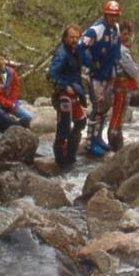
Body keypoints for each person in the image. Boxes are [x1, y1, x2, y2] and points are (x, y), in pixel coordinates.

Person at [79, 1, 122, 157]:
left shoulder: (116, 28)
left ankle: (98, 138)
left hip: (109, 73)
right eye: (110, 16)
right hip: (95, 75)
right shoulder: (95, 30)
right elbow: (80, 47)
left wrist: (117, 64)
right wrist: (90, 63)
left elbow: (117, 47)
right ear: (105, 15)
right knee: (97, 107)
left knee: (105, 107)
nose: (113, 18)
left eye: (115, 16)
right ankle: (90, 142)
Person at [48, 25, 87, 169]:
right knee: (63, 127)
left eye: (77, 37)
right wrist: (65, 86)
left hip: (75, 94)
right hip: (63, 95)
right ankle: (61, 160)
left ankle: (71, 155)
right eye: (71, 37)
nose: (74, 40)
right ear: (65, 38)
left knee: (81, 122)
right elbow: (51, 75)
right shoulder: (62, 54)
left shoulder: (75, 51)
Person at [107, 20, 139, 151]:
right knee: (118, 114)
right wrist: (136, 69)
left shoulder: (119, 49)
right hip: (121, 85)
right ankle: (115, 144)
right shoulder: (121, 50)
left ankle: (116, 143)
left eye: (128, 34)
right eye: (124, 33)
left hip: (120, 85)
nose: (126, 37)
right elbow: (133, 71)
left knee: (119, 113)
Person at [0, 54, 33, 128]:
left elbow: (16, 87)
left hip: (12, 104)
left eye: (2, 59)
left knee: (29, 117)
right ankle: (15, 126)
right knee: (2, 119)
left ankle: (17, 126)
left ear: (5, 60)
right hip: (0, 106)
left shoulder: (11, 72)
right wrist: (8, 103)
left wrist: (12, 101)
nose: (0, 62)